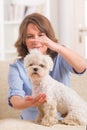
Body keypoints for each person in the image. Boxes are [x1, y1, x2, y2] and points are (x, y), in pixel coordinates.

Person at [8, 13, 87, 121]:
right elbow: (15, 98)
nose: (36, 40)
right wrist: (27, 102)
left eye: (41, 35)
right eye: (30, 36)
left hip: (60, 121)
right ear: (24, 41)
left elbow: (82, 67)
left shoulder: (60, 58)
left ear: (48, 38)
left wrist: (57, 47)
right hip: (30, 122)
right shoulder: (17, 66)